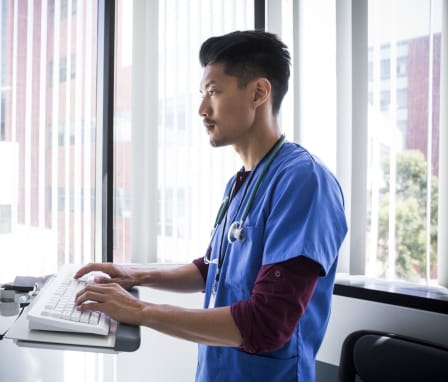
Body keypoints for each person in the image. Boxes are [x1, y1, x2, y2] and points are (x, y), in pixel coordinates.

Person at [75, 30, 347, 381]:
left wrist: (139, 310)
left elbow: (268, 323)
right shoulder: (242, 182)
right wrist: (135, 274)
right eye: (202, 95)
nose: (202, 110)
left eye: (214, 92)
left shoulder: (304, 181)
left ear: (259, 93)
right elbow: (213, 270)